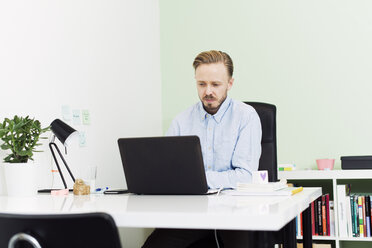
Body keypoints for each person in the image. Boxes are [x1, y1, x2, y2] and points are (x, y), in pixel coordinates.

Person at [142, 50, 262, 248]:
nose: (208, 92)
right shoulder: (181, 121)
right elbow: (167, 173)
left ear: (230, 83)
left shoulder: (246, 117)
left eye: (215, 84)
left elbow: (245, 176)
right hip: (190, 215)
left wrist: (196, 179)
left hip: (234, 216)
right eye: (202, 84)